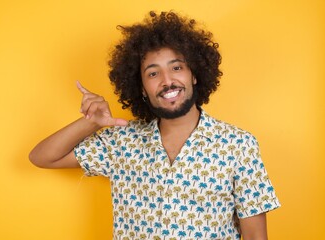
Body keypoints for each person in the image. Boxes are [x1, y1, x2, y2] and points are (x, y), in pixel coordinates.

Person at [29, 11, 280, 240]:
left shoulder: (239, 145)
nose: (167, 81)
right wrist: (91, 123)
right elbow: (42, 157)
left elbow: (256, 236)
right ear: (141, 88)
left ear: (194, 74)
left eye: (177, 67)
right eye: (153, 73)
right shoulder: (122, 142)